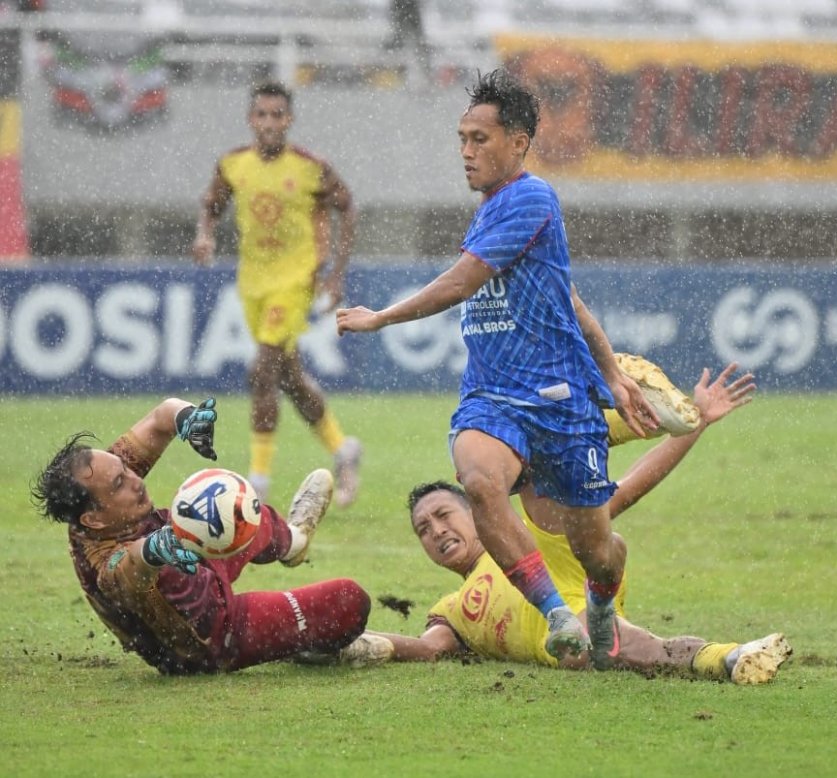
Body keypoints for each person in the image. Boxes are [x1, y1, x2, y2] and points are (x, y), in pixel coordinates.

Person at [337, 68, 660, 668]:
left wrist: (381, 318)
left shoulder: (532, 197)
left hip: (561, 401)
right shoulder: (493, 206)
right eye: (462, 138)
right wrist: (614, 372)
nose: (466, 151)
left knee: (599, 551)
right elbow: (574, 301)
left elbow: (462, 283)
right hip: (494, 396)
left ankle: (598, 602)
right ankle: (555, 614)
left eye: (479, 139)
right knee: (481, 483)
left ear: (518, 142)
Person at [339, 364, 792, 684]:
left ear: (479, 513)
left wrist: (693, 426)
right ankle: (588, 425)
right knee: (608, 641)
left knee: (612, 630)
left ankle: (728, 658)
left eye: (442, 515)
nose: (435, 530)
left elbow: (628, 489)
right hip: (566, 649)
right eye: (423, 529)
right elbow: (430, 648)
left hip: (584, 603)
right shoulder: (453, 607)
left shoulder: (530, 531)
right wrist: (357, 643)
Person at [30, 397, 372, 675]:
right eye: (120, 483)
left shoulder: (100, 488)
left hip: (193, 557)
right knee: (349, 599)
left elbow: (161, 416)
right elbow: (124, 569)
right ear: (94, 519)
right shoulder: (101, 558)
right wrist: (154, 548)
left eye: (126, 470)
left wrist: (188, 418)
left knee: (227, 506)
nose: (135, 479)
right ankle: (318, 645)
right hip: (211, 638)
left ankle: (294, 541)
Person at [193, 80, 362, 508]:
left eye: (277, 115)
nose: (269, 122)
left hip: (295, 279)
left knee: (262, 370)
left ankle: (258, 484)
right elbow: (212, 202)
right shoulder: (233, 164)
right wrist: (205, 236)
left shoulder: (309, 166)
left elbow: (347, 204)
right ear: (251, 119)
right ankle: (343, 450)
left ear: (289, 120)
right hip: (253, 283)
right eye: (262, 114)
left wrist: (336, 273)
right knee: (287, 378)